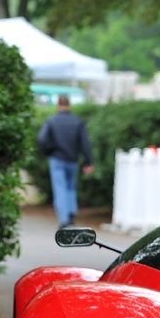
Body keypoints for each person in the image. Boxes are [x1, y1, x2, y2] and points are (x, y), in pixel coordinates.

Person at [37, 95, 94, 228]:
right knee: (70, 187)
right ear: (69, 105)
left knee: (60, 188)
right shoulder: (77, 121)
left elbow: (42, 139)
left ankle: (64, 219)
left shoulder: (51, 120)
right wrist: (88, 161)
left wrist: (49, 151)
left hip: (57, 159)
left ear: (58, 105)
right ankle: (71, 213)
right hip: (72, 159)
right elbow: (84, 143)